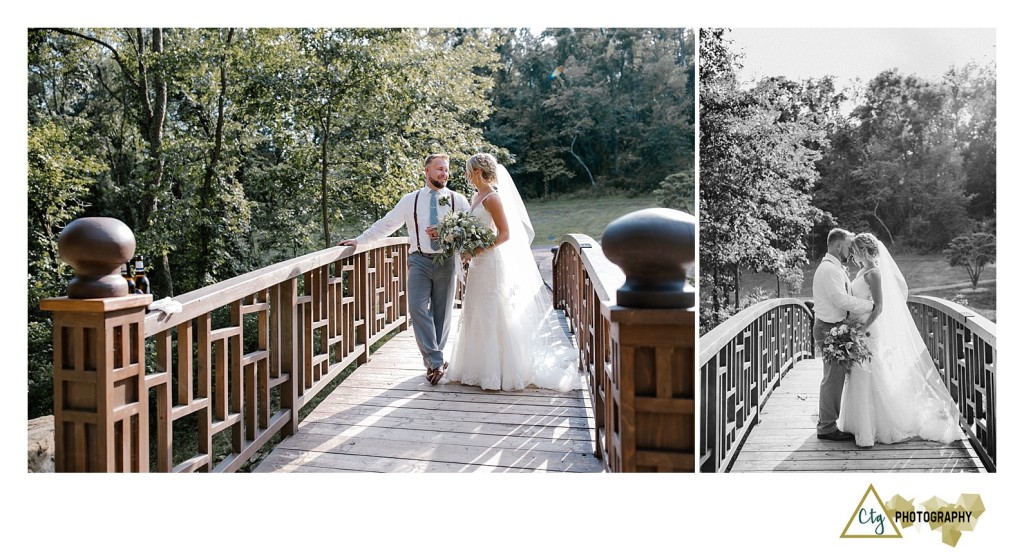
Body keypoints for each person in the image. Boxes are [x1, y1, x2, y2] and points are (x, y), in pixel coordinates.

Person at [443, 153, 584, 392]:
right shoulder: (476, 196)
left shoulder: (492, 198)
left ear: (477, 172)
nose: (466, 176)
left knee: (492, 311)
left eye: (468, 171)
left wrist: (475, 251)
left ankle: (497, 371)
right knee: (475, 311)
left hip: (489, 263)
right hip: (478, 264)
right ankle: (474, 368)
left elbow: (504, 234)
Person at [338, 153, 470, 385]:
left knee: (442, 314)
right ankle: (437, 361)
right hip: (418, 260)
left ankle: (433, 364)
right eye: (439, 169)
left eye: (446, 169)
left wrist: (447, 234)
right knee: (417, 308)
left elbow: (468, 230)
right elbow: (387, 224)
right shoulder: (411, 200)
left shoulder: (457, 200)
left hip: (446, 261)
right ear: (427, 172)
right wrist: (359, 241)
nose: (444, 173)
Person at [837, 233, 963, 447]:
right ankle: (858, 424)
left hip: (867, 330)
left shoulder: (874, 273)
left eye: (856, 250)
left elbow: (879, 307)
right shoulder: (862, 270)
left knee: (869, 372)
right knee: (858, 374)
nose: (853, 254)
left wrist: (862, 329)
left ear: (864, 250)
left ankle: (875, 427)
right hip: (856, 327)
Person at [811, 228, 875, 441]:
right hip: (830, 328)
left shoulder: (833, 267)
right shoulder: (830, 270)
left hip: (835, 326)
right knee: (833, 379)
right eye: (849, 246)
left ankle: (828, 422)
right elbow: (841, 300)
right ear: (838, 246)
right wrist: (870, 305)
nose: (851, 250)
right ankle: (827, 427)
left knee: (835, 378)